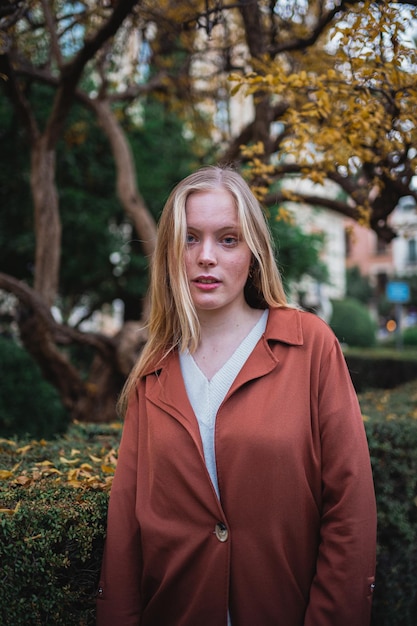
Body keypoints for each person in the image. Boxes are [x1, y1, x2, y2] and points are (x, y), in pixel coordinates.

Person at [96, 165, 377, 626]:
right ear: (171, 250)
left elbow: (351, 508)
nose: (206, 256)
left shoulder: (309, 345)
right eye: (190, 238)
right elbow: (125, 529)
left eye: (228, 239)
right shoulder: (153, 370)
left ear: (254, 252)